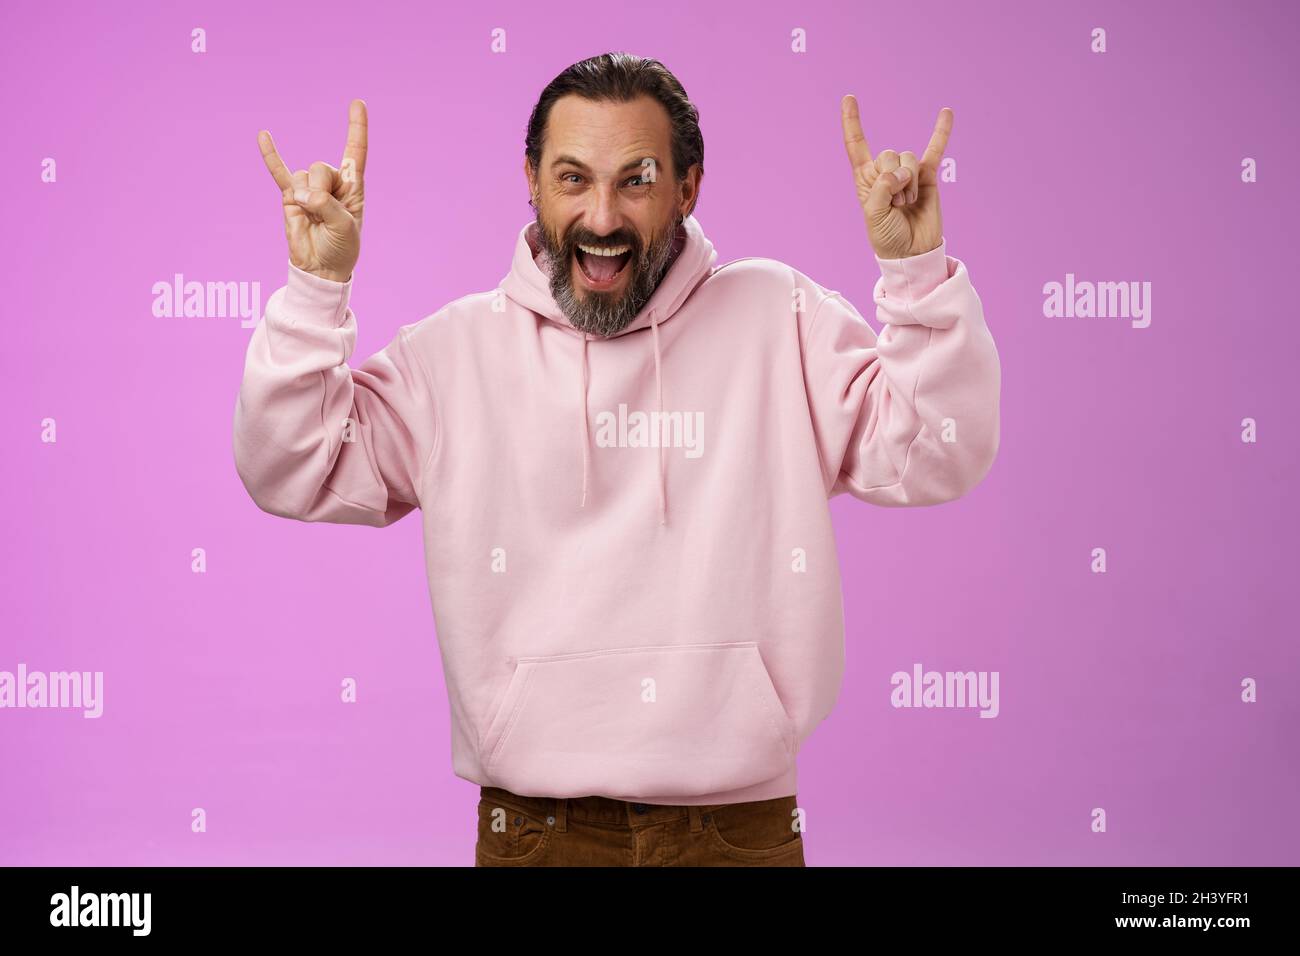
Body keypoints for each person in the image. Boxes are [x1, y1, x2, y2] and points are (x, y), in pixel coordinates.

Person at [233, 52, 1001, 867]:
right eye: (572, 179)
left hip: (739, 835)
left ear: (688, 187)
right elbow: (291, 466)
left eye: (635, 180)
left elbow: (936, 450)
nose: (601, 216)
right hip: (536, 834)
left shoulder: (782, 318)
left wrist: (916, 275)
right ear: (531, 180)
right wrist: (317, 289)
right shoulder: (452, 356)